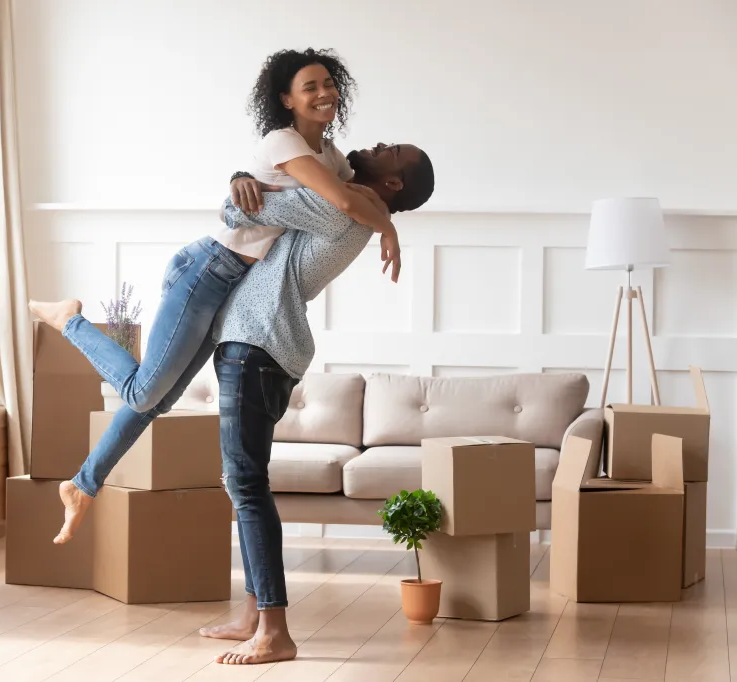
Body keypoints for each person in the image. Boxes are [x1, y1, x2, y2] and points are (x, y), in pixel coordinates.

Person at [29, 48, 405, 543]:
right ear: (287, 100)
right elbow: (339, 204)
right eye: (309, 86)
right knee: (144, 392)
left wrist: (373, 208)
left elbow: (354, 192)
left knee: (155, 403)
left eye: (328, 84)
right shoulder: (283, 140)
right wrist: (388, 229)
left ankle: (82, 485)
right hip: (208, 269)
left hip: (233, 287)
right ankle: (69, 319)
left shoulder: (331, 157)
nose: (323, 93)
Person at [201, 144, 434, 666]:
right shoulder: (349, 203)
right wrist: (246, 175)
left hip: (256, 347)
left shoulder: (340, 205)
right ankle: (251, 614)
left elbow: (240, 208)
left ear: (393, 184)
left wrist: (244, 180)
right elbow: (258, 195)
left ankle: (275, 631)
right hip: (259, 347)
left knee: (246, 485)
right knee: (242, 483)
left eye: (388, 151)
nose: (374, 146)